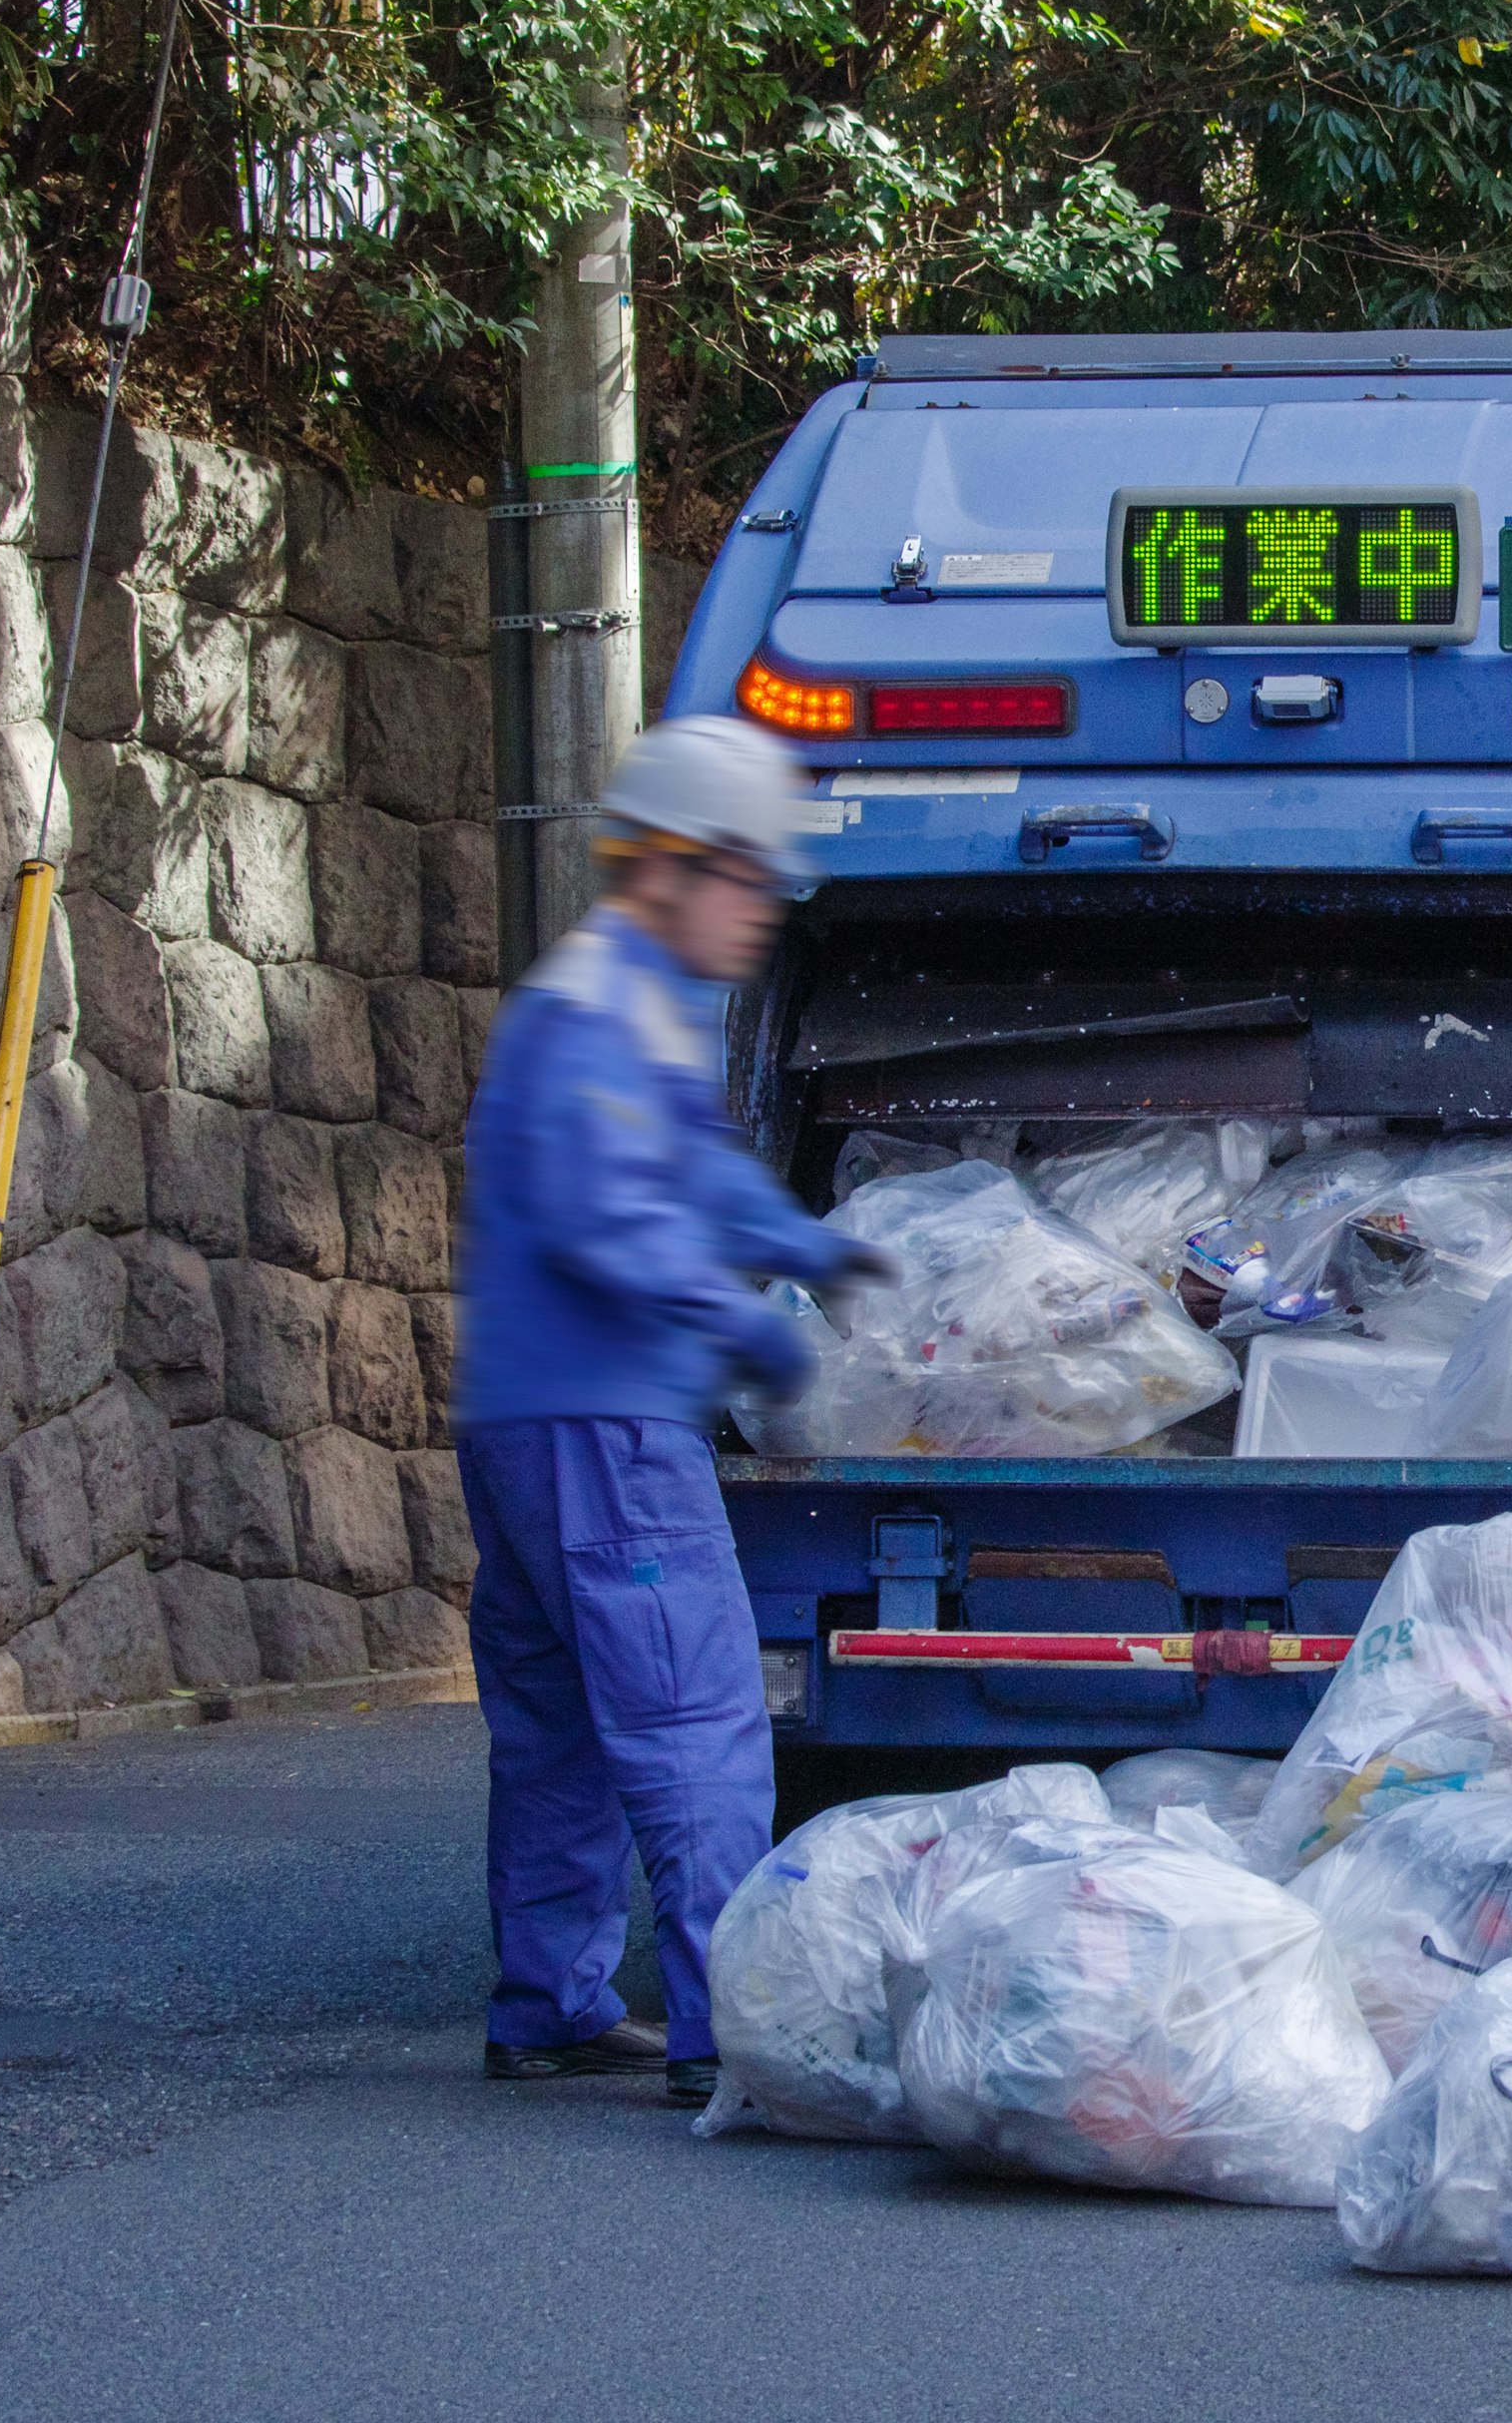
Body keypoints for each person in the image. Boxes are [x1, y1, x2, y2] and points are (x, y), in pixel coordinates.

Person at [451, 713, 891, 2106]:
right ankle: (729, 2032)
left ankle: (551, 2002)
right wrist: (744, 1323)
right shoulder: (599, 1012)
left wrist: (823, 1246)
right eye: (750, 883)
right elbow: (607, 1219)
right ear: (676, 867)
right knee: (694, 1719)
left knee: (563, 1730)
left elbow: (694, 1179)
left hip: (523, 1425)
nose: (760, 917)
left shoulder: (604, 1002)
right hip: (607, 1429)